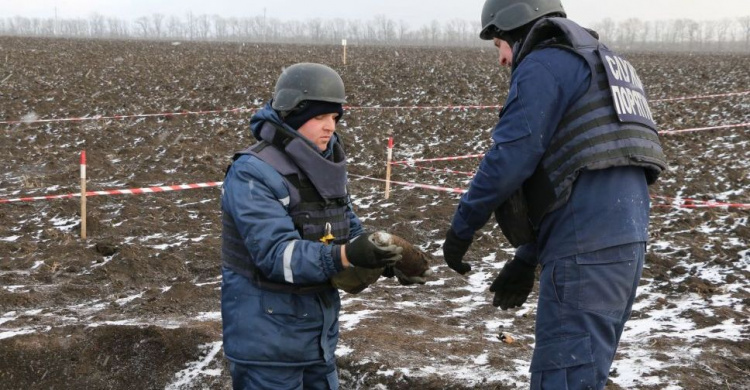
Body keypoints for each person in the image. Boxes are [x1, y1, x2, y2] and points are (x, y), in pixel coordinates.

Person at [441, 1, 667, 389]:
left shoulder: (545, 63)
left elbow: (511, 157)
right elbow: (583, 172)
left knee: (561, 379)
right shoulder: (607, 64)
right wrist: (528, 257)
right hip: (624, 243)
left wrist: (462, 230)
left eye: (499, 46)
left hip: (585, 251)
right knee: (584, 373)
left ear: (514, 27)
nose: (502, 59)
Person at [220, 62, 403, 390]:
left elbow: (347, 226)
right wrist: (344, 256)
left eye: (334, 117)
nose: (329, 127)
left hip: (316, 342)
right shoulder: (252, 173)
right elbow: (277, 256)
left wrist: (379, 255)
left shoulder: (324, 166)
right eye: (319, 117)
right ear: (293, 114)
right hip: (267, 349)